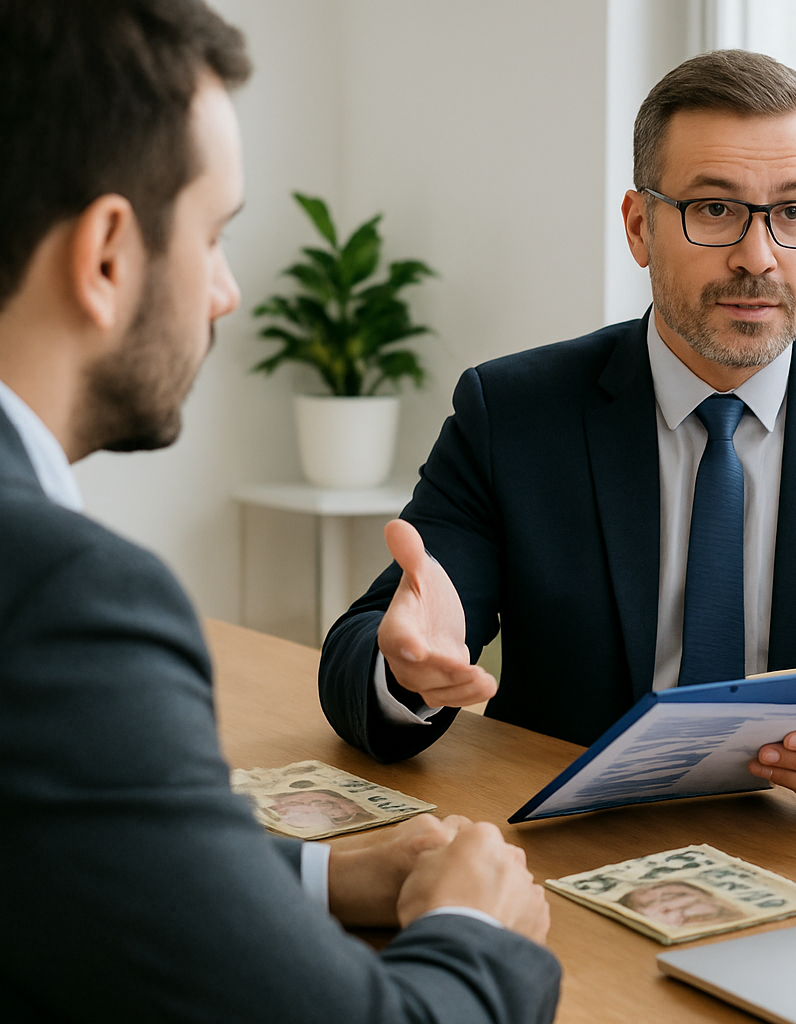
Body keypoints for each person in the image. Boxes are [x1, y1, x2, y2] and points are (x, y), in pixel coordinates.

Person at [318, 49, 796, 846]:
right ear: (639, 226)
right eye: (714, 209)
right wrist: (406, 675)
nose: (759, 256)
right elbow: (366, 648)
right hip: (586, 846)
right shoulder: (515, 414)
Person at [0, 2, 559, 1020]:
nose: (224, 290)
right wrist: (472, 928)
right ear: (108, 255)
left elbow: (44, 834)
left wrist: (314, 879)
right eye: (213, 234)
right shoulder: (62, 599)